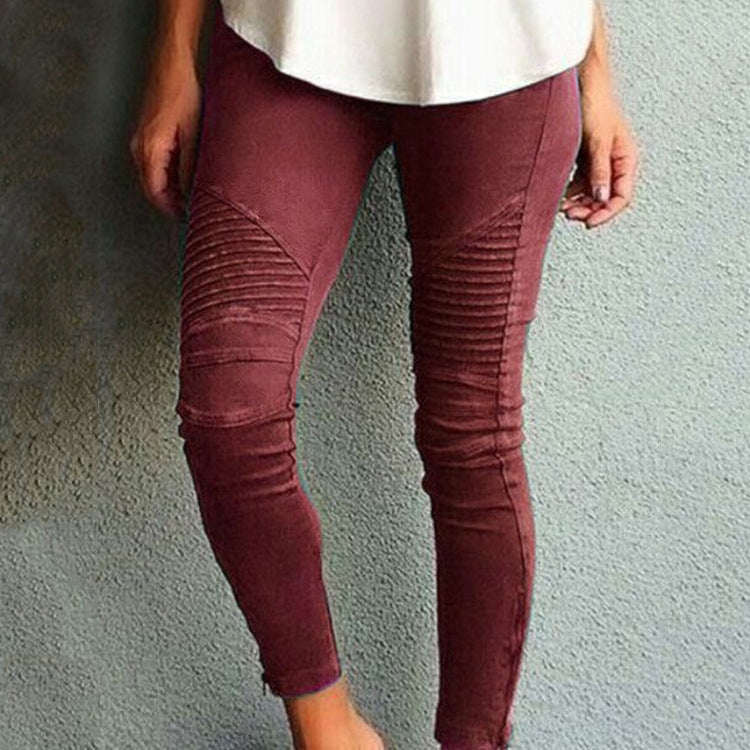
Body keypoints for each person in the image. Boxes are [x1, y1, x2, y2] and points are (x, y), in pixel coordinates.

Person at [130, 1, 638, 748]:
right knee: (228, 414)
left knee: (474, 436)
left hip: (507, 58)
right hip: (285, 44)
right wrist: (172, 56)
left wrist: (597, 73)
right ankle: (328, 731)